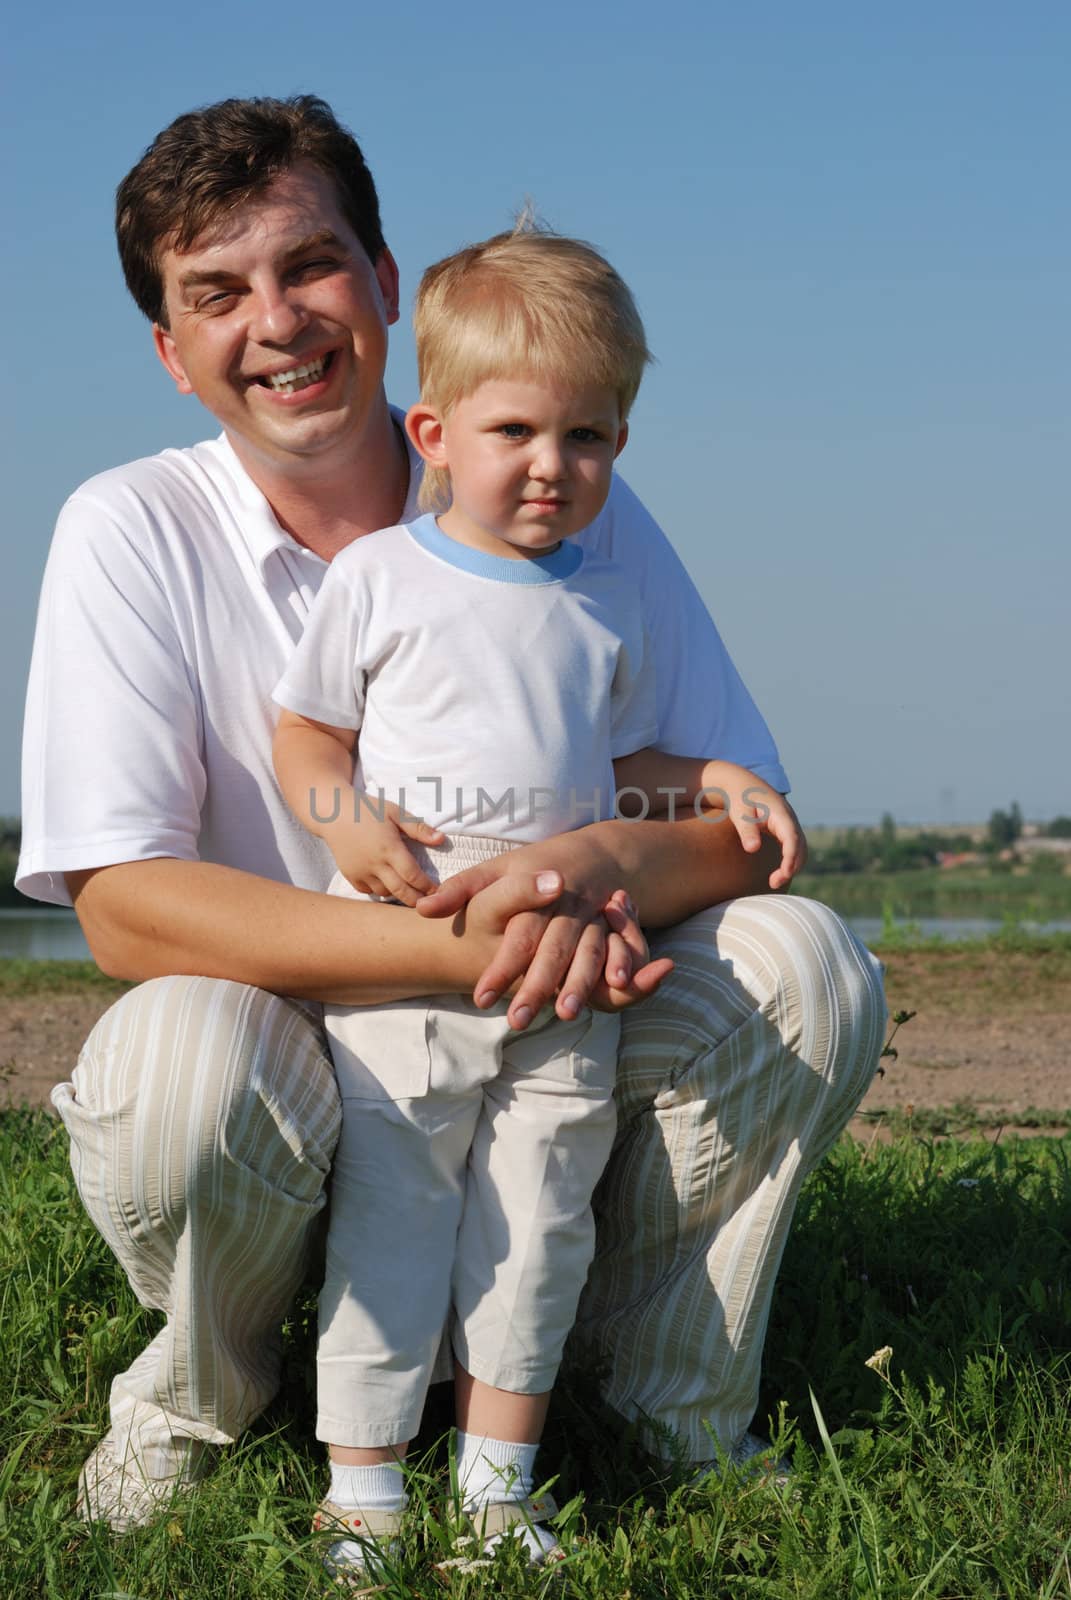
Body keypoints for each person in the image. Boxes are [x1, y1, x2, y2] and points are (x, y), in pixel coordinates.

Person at [16, 94, 886, 1539]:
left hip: (558, 1015)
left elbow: (745, 820)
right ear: (173, 358)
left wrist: (602, 858)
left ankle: (645, 1386)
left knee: (805, 963)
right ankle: (211, 1396)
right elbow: (121, 906)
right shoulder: (130, 530)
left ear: (380, 278)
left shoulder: (562, 487)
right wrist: (461, 949)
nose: (277, 321)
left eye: (308, 265)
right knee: (175, 1057)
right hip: (305, 1058)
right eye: (217, 294)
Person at [270, 223, 807, 1572]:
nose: (554, 468)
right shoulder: (382, 579)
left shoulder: (606, 604)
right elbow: (305, 735)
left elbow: (612, 765)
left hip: (572, 977)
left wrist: (715, 776)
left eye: (594, 440)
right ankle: (364, 1483)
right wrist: (347, 829)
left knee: (541, 1219)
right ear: (434, 430)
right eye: (517, 431)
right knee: (399, 1213)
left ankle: (500, 1483)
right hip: (416, 967)